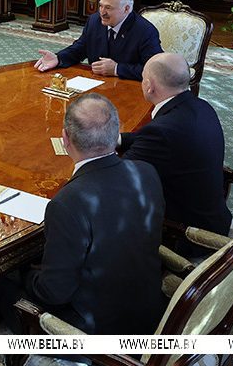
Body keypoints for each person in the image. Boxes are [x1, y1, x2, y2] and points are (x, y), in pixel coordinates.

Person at [24, 93, 164, 335]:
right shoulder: (146, 171)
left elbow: (54, 293)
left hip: (98, 331)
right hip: (150, 308)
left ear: (65, 139)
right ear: (116, 132)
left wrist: (25, 275)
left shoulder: (67, 203)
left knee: (0, 292)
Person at [121, 52, 232, 255]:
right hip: (214, 218)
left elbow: (116, 177)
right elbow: (155, 140)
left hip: (187, 237)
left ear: (149, 86)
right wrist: (117, 139)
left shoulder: (162, 132)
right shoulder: (201, 106)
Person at [34, 0, 162, 81]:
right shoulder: (94, 21)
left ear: (126, 9)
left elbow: (155, 71)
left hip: (129, 88)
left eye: (108, 8)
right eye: (101, 6)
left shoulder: (145, 31)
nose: (102, 12)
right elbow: (80, 48)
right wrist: (58, 58)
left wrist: (117, 69)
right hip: (95, 85)